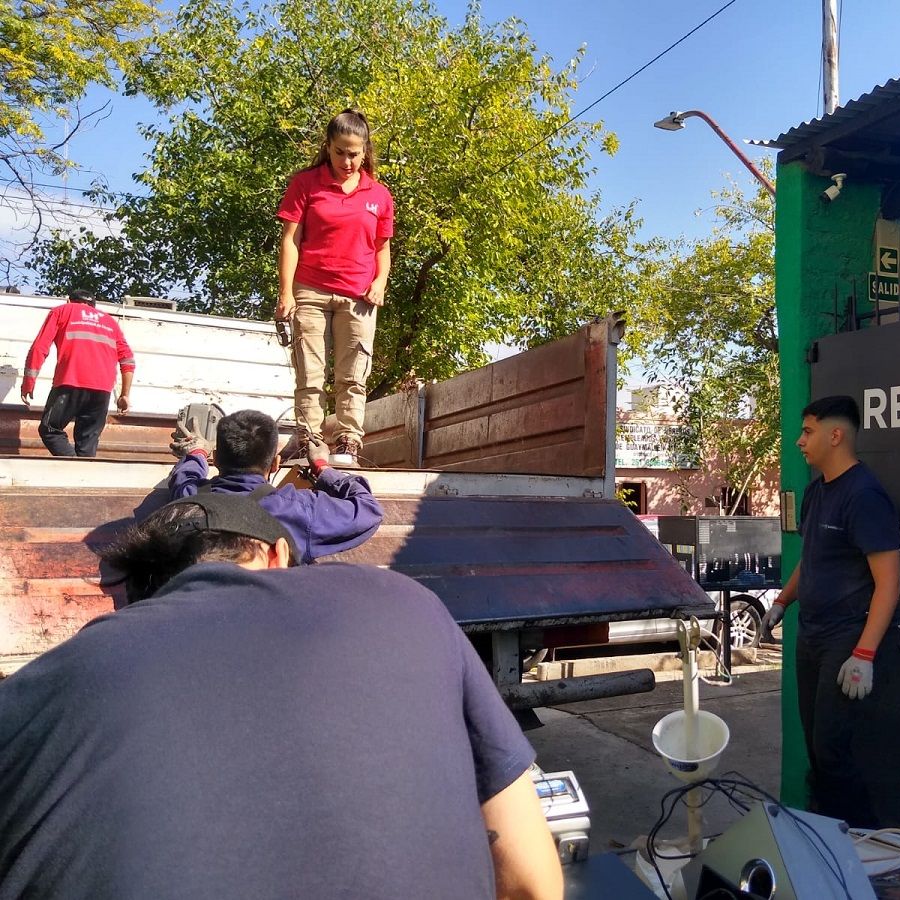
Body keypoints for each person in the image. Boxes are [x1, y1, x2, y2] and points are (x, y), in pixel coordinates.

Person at [0, 492, 563, 899]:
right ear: (276, 556)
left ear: (137, 593)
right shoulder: (402, 601)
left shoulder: (39, 690)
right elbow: (531, 882)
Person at [761, 395, 900, 828]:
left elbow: (889, 583)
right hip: (812, 634)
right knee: (817, 750)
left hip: (846, 638)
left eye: (808, 431)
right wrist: (782, 601)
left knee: (832, 751)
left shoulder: (865, 496)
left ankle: (865, 843)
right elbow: (812, 559)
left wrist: (864, 655)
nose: (800, 441)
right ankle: (827, 838)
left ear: (835, 435)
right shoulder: (816, 492)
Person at [276, 108, 394, 466]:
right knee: (310, 373)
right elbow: (290, 240)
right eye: (340, 152)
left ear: (365, 150)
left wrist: (380, 282)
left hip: (359, 296)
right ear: (328, 146)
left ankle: (348, 441)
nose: (347, 161)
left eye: (354, 153)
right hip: (309, 291)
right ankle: (309, 439)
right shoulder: (305, 184)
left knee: (353, 375)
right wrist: (285, 292)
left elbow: (382, 248)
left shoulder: (379, 194)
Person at [168, 408, 383, 564]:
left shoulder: (191, 498)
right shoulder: (298, 509)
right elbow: (368, 510)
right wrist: (321, 466)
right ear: (275, 464)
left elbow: (184, 477)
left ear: (215, 459)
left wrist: (197, 453)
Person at [20, 288, 135, 457]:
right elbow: (128, 360)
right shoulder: (109, 321)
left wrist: (28, 383)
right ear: (93, 306)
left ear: (69, 300)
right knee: (87, 442)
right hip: (102, 390)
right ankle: (83, 471)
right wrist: (124, 395)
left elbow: (39, 348)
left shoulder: (62, 311)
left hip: (70, 382)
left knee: (50, 429)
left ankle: (74, 465)